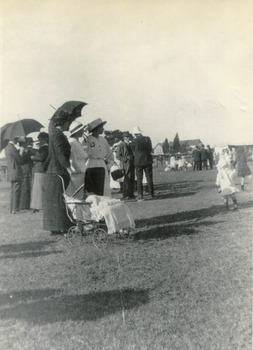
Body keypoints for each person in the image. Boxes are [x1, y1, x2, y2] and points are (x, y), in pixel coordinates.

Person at [43, 110, 73, 235]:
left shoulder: (55, 133)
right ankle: (60, 227)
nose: (69, 125)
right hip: (57, 171)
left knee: (55, 200)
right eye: (68, 122)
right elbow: (60, 153)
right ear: (64, 122)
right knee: (58, 200)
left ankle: (56, 227)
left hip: (55, 170)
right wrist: (68, 168)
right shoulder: (57, 134)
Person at [85, 118, 114, 197]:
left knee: (105, 186)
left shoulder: (103, 140)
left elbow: (110, 154)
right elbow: (84, 154)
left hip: (102, 164)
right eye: (101, 127)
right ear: (96, 129)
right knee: (93, 188)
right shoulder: (87, 140)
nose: (103, 129)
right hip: (90, 165)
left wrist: (108, 166)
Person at [131, 126, 154, 201]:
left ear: (135, 134)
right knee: (149, 177)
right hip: (147, 160)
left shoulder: (133, 141)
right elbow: (150, 149)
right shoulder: (147, 139)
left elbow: (133, 150)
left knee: (139, 179)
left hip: (138, 161)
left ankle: (140, 195)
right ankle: (151, 193)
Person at [67, 120, 88, 199]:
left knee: (75, 194)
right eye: (81, 130)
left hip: (75, 170)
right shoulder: (74, 142)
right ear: (77, 131)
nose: (83, 131)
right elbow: (84, 155)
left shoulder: (73, 142)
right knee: (78, 195)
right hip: (78, 170)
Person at [5, 136, 25, 214]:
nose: (17, 140)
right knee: (16, 190)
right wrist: (21, 151)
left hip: (11, 171)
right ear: (12, 139)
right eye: (16, 139)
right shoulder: (12, 147)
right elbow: (19, 159)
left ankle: (12, 209)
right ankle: (15, 209)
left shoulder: (7, 147)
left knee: (13, 190)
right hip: (15, 170)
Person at [30, 132, 49, 213]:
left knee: (37, 189)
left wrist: (33, 157)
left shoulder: (44, 148)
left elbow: (42, 158)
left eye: (41, 139)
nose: (39, 141)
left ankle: (37, 206)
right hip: (42, 170)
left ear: (45, 139)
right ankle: (39, 206)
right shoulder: (46, 147)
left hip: (40, 170)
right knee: (40, 189)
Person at [116, 131, 135, 199]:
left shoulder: (131, 144)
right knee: (126, 180)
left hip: (132, 164)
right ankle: (125, 194)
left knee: (132, 179)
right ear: (124, 138)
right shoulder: (121, 145)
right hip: (125, 165)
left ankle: (131, 194)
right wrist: (126, 158)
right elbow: (118, 156)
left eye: (129, 136)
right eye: (127, 137)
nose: (128, 138)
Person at [19, 137, 34, 211]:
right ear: (22, 144)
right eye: (26, 142)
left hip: (29, 169)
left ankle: (28, 205)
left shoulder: (28, 150)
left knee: (28, 186)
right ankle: (23, 205)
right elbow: (19, 160)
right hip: (24, 169)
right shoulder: (20, 150)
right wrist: (21, 153)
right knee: (24, 186)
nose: (27, 143)